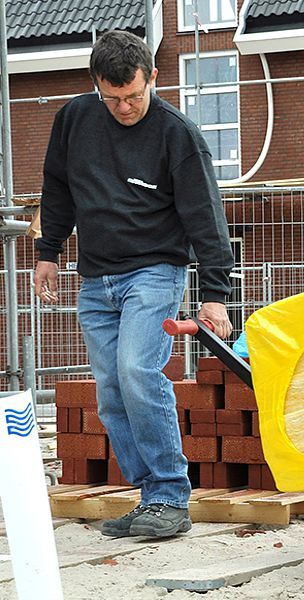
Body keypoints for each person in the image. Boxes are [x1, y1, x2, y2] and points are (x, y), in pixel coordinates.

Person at [34, 30, 234, 538]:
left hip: (153, 271)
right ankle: (152, 499)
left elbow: (205, 216)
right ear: (96, 86)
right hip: (96, 277)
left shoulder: (176, 133)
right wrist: (47, 253)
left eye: (134, 96)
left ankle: (171, 495)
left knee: (137, 371)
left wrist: (213, 294)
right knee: (110, 392)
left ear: (154, 79)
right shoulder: (75, 120)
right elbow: (56, 187)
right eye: (113, 97)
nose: (124, 107)